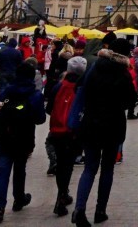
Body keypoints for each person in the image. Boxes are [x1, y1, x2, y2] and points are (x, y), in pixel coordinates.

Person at [73, 38, 136, 227]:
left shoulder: (94, 67)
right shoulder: (123, 73)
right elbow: (131, 100)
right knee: (107, 169)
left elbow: (79, 88)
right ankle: (100, 210)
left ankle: (79, 209)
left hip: (91, 123)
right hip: (112, 126)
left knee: (89, 168)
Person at [0, 62, 46, 223]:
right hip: (24, 138)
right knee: (20, 169)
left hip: (4, 137)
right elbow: (40, 119)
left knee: (2, 172)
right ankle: (19, 198)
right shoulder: (35, 95)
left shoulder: (5, 91)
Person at [45, 56, 87, 217]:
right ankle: (61, 197)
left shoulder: (59, 86)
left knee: (62, 164)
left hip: (56, 130)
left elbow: (49, 108)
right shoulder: (83, 87)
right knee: (67, 165)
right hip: (74, 132)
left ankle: (62, 194)